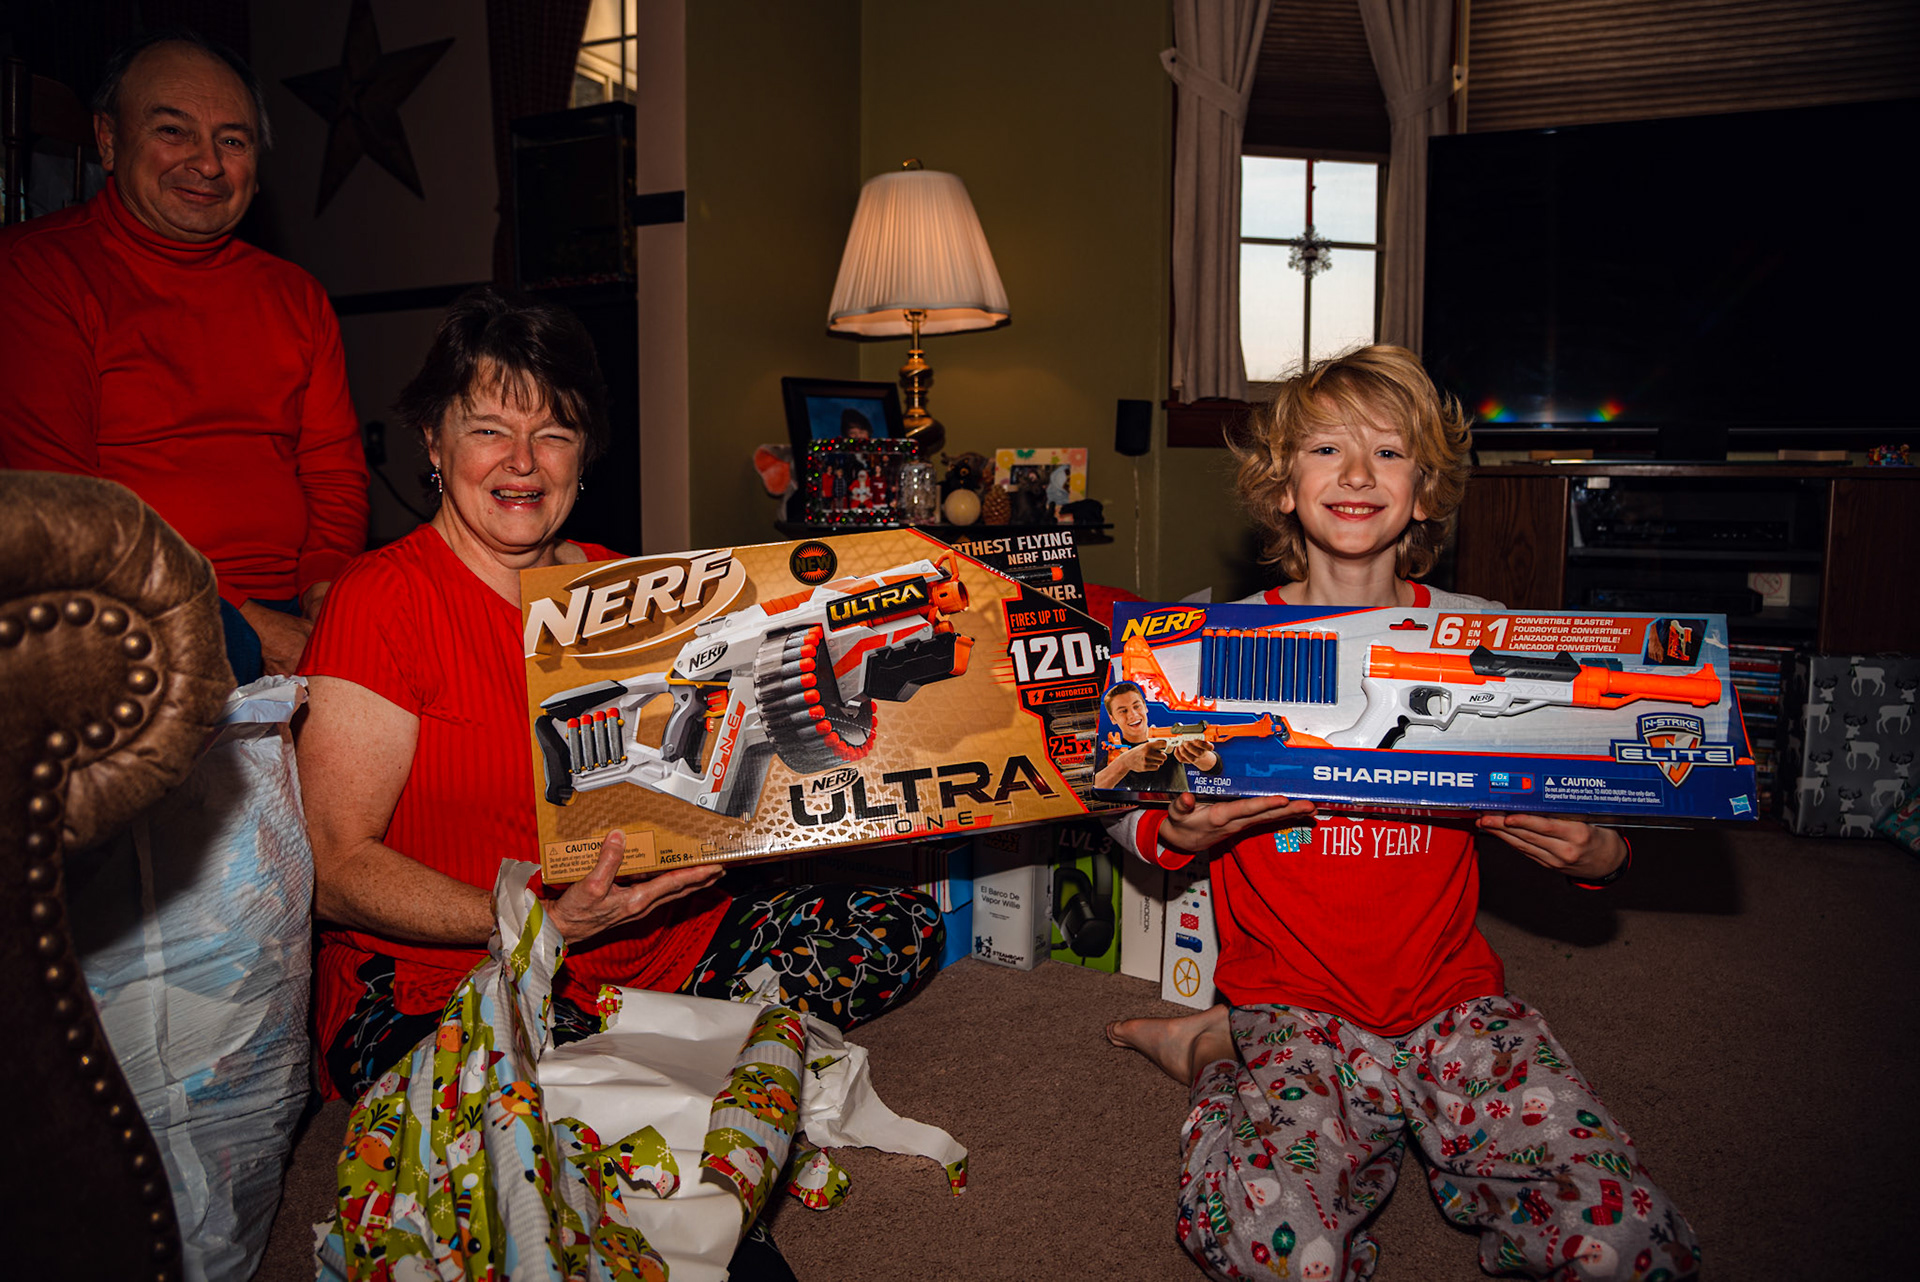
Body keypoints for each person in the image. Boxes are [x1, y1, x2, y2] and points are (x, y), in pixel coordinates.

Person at [1102, 346, 1700, 1280]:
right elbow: (1120, 793)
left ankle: (1254, 1058)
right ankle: (1217, 1053)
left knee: (1627, 1241)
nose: (1355, 474)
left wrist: (1601, 855)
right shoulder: (1205, 643)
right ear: (1282, 487)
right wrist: (1170, 830)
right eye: (1325, 450)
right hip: (1292, 1006)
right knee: (1278, 1254)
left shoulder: (1482, 634)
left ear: (1423, 493)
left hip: (1451, 1001)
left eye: (1387, 453)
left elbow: (1602, 794)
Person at [296, 286, 944, 1107]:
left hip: (654, 945)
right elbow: (335, 868)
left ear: (583, 453)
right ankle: (666, 1057)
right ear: (433, 439)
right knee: (518, 1093)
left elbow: (703, 763)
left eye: (553, 433)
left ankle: (652, 1049)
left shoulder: (626, 586)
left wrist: (751, 818)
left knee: (900, 928)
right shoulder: (380, 599)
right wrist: (535, 922)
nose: (522, 461)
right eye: (488, 429)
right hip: (456, 968)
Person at [0, 30, 367, 684]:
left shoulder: (296, 295)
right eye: (173, 131)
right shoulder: (38, 272)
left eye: (233, 141)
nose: (207, 163)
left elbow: (334, 475)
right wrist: (253, 623)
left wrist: (326, 595)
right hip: (131, 596)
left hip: (294, 598)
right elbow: (70, 509)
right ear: (108, 140)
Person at [1094, 680, 1220, 792]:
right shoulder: (1114, 755)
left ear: (1145, 707)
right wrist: (1125, 762)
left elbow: (1215, 766)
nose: (1132, 715)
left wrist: (1199, 755)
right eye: (1123, 711)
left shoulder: (1169, 737)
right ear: (1112, 718)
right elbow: (1097, 785)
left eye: (1137, 706)